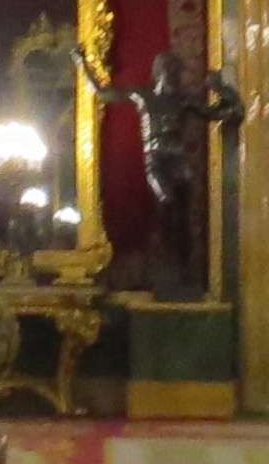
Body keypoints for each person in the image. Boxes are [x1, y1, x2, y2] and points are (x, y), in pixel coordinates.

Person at [80, 45, 244, 296]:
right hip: (156, 160)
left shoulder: (183, 100)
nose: (171, 75)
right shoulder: (143, 96)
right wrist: (81, 63)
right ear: (158, 72)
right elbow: (103, 92)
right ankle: (167, 267)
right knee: (166, 202)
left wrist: (219, 87)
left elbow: (228, 112)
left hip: (178, 160)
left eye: (174, 70)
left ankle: (183, 272)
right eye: (167, 70)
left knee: (185, 213)